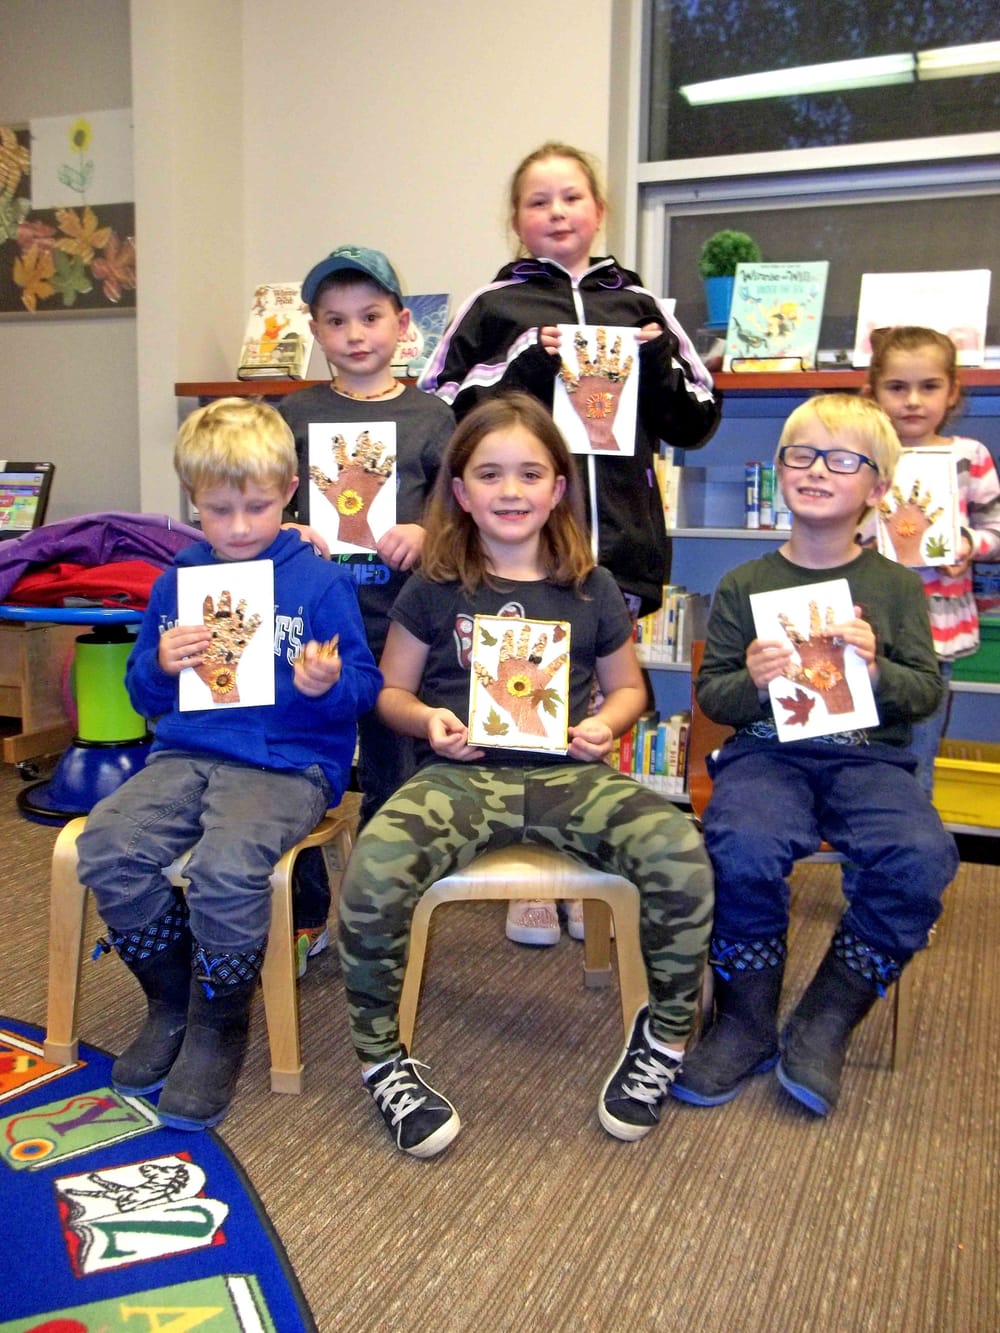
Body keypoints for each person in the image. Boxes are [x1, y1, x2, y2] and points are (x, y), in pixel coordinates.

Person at [337, 393, 713, 1158]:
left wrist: (606, 725)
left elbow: (630, 689)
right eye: (490, 474)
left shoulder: (590, 586)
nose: (510, 490)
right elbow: (389, 691)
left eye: (530, 473)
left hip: (569, 775)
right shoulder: (435, 585)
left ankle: (664, 1039)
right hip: (460, 778)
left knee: (679, 851)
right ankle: (382, 1061)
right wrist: (428, 721)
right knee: (374, 869)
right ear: (461, 490)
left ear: (558, 487)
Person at [418, 141, 721, 946]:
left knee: (593, 706)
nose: (557, 212)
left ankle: (584, 863)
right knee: (521, 693)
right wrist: (524, 358)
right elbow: (438, 406)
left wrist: (655, 356)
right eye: (538, 200)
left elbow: (696, 415)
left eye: (572, 197)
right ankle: (529, 871)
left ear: (599, 209)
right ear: (515, 219)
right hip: (515, 543)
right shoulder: (495, 306)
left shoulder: (643, 305)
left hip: (615, 539)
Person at [76, 398, 381, 1131]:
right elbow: (143, 696)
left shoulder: (320, 582)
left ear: (289, 493)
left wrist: (326, 683)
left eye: (257, 507)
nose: (239, 526)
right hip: (187, 752)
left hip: (286, 762)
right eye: (219, 510)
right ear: (193, 502)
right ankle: (172, 1001)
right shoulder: (177, 582)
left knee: (227, 865)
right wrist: (159, 662)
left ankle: (218, 1026)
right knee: (107, 845)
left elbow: (365, 687)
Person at [670, 393, 959, 1118]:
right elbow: (716, 698)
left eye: (842, 459)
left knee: (921, 855)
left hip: (869, 763)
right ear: (780, 471)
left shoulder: (897, 587)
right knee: (743, 842)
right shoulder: (745, 584)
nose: (818, 470)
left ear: (878, 490)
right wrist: (754, 679)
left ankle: (828, 1015)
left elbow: (925, 693)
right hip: (768, 757)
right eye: (801, 455)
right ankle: (745, 1019)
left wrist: (878, 667)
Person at [278, 245, 455, 974]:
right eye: (336, 320)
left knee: (394, 775)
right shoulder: (293, 414)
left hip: (397, 631)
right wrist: (285, 528)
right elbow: (262, 500)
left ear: (402, 324)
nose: (355, 334)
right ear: (314, 329)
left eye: (371, 317)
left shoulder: (432, 416)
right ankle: (305, 914)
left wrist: (429, 532)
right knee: (300, 770)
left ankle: (383, 912)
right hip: (311, 632)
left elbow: (462, 511)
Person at [864, 325, 1000, 794]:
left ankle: (909, 834)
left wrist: (968, 545)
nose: (913, 401)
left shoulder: (969, 456)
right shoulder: (862, 454)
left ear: (952, 392)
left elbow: (995, 529)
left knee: (917, 758)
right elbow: (835, 527)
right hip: (867, 631)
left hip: (935, 634)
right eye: (897, 387)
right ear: (873, 391)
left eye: (929, 386)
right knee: (858, 753)